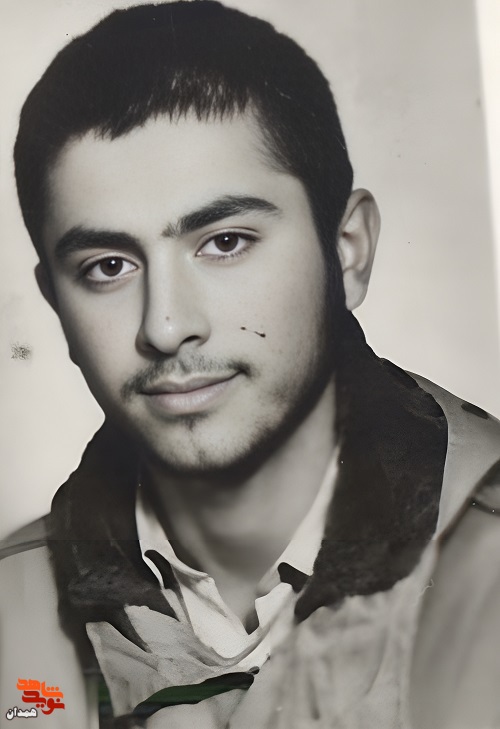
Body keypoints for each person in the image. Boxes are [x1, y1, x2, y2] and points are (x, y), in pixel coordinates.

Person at [1, 2, 499, 728]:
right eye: (108, 265)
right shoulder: (9, 613)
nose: (166, 326)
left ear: (348, 252)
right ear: (56, 303)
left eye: (225, 242)